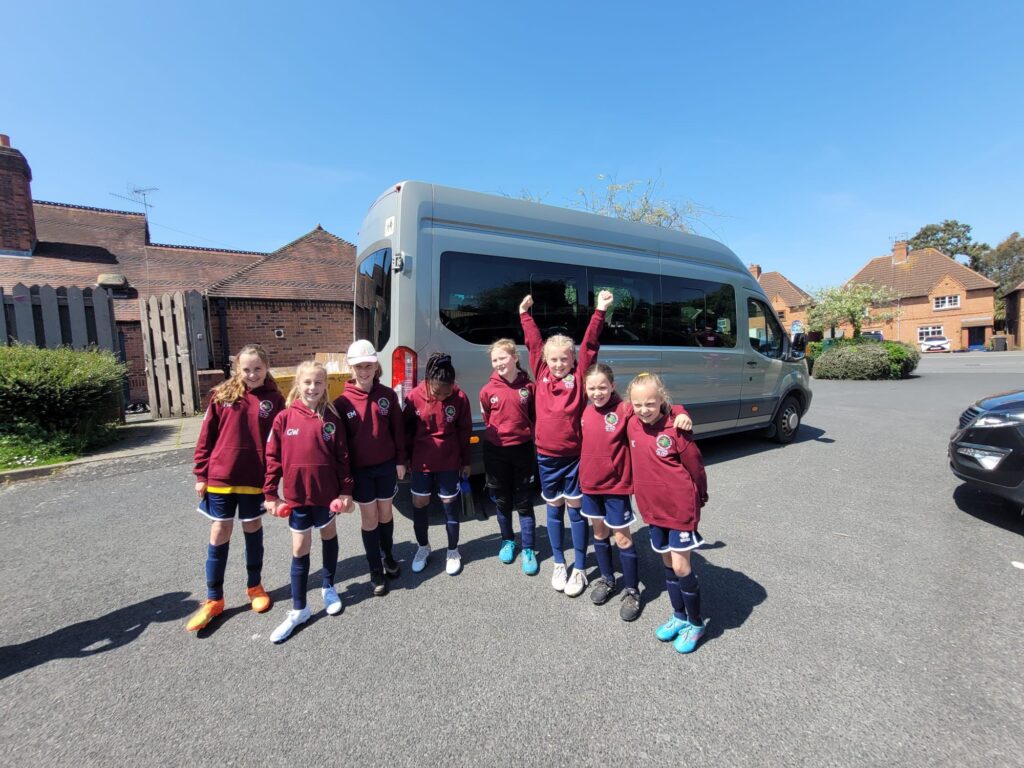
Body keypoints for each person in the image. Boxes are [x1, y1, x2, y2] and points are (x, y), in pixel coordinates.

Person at [519, 289, 612, 597]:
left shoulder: (580, 375)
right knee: (554, 509)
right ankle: (559, 563)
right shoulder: (541, 372)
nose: (559, 364)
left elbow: (590, 345)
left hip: (574, 457)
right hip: (546, 457)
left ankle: (580, 567)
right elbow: (534, 343)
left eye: (564, 359)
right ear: (545, 361)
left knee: (575, 511)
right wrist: (524, 315)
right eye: (554, 359)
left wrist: (600, 311)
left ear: (573, 359)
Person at [580, 364, 691, 621]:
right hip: (590, 485)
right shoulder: (585, 410)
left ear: (612, 386)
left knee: (622, 539)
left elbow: (658, 405)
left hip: (616, 486)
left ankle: (632, 590)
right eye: (591, 388)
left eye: (602, 387)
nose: (597, 393)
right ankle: (607, 579)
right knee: (599, 533)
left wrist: (681, 412)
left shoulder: (624, 408)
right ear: (585, 389)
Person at [187, 344, 285, 632]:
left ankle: (255, 587)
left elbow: (280, 443)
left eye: (257, 368)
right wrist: (201, 474)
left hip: (254, 479)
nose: (252, 374)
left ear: (266, 368)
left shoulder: (275, 399)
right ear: (236, 370)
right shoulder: (222, 395)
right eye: (246, 369)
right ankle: (213, 598)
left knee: (252, 528)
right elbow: (206, 437)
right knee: (220, 530)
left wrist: (277, 480)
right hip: (221, 477)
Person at [264, 361, 354, 644]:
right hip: (297, 497)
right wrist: (270, 494)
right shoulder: (283, 418)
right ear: (298, 384)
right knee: (300, 548)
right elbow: (272, 459)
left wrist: (346, 491)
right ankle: (299, 608)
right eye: (307, 382)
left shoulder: (332, 418)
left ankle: (328, 586)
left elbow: (343, 458)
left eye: (318, 382)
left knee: (329, 535)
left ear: (325, 385)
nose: (312, 387)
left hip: (327, 496)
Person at [626, 372, 710, 654]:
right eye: (638, 404)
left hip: (680, 509)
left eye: (650, 403)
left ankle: (696, 623)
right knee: (667, 565)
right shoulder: (631, 423)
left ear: (662, 399)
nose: (644, 410)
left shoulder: (676, 429)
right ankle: (679, 616)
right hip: (653, 510)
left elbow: (696, 466)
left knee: (681, 567)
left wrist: (701, 494)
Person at [334, 340, 406, 597]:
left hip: (386, 466)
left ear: (376, 366)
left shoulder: (387, 395)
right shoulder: (341, 403)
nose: (364, 371)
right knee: (370, 518)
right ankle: (375, 569)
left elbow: (398, 430)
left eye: (368, 366)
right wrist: (344, 480)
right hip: (361, 471)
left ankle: (388, 556)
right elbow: (341, 446)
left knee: (385, 513)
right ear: (351, 368)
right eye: (359, 367)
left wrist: (401, 460)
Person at [403, 353, 472, 576]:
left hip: (449, 460)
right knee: (420, 502)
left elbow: (465, 432)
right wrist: (405, 458)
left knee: (449, 504)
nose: (442, 396)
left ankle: (453, 550)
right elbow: (406, 430)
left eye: (446, 393)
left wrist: (466, 461)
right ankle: (423, 547)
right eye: (437, 392)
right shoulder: (413, 396)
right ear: (427, 381)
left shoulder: (460, 398)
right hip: (421, 460)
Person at [479, 338, 538, 575]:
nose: (499, 363)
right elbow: (487, 418)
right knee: (502, 501)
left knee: (524, 501)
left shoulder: (529, 387)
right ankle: (507, 541)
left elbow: (533, 416)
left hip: (522, 450)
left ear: (515, 357)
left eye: (502, 357)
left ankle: (529, 548)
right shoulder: (487, 390)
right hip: (496, 452)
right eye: (494, 360)